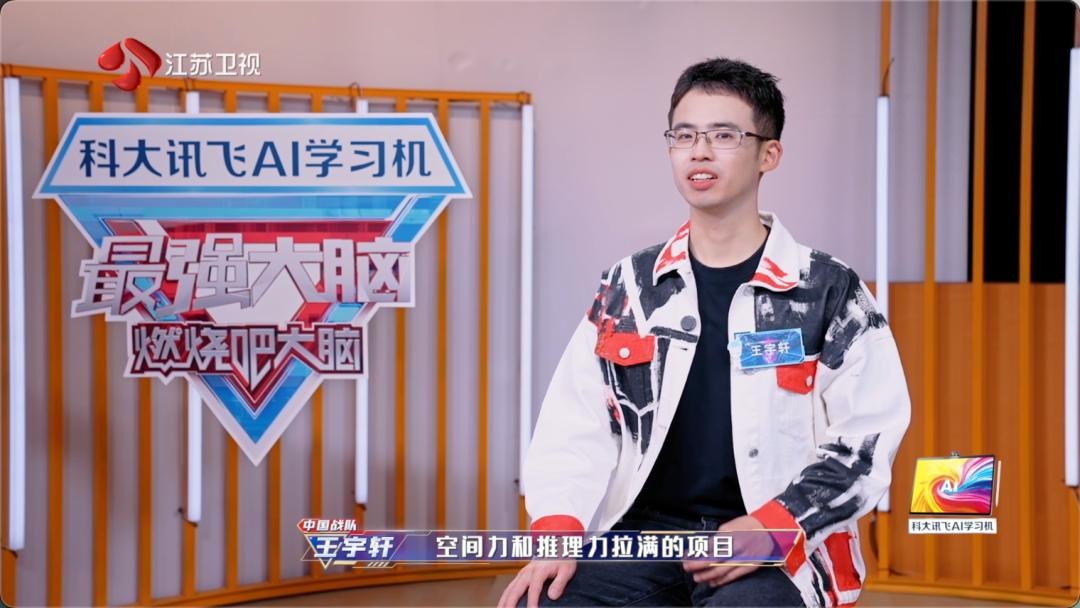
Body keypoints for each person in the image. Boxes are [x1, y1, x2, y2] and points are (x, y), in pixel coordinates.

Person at [497, 57, 911, 608]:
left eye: (724, 135)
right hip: (644, 541)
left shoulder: (828, 290)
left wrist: (773, 524)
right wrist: (558, 530)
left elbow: (867, 440)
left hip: (776, 550)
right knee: (541, 602)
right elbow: (575, 421)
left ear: (769, 154)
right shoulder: (632, 285)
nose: (699, 151)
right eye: (684, 135)